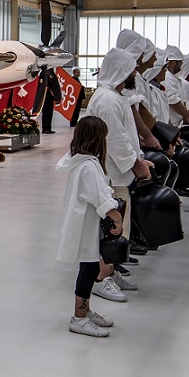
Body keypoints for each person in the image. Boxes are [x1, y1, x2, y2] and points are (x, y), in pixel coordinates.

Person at [85, 48, 153, 301]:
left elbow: (125, 135)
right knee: (113, 229)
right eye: (132, 70)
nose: (135, 74)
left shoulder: (114, 96)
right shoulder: (107, 100)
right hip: (111, 175)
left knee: (119, 228)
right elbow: (115, 140)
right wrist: (136, 164)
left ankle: (110, 271)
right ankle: (100, 279)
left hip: (119, 174)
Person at [57, 116, 124, 337]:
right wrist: (116, 217)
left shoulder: (81, 162)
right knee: (88, 269)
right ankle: (79, 317)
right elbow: (99, 196)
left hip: (86, 223)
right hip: (86, 225)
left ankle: (84, 311)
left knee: (90, 267)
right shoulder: (88, 166)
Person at [41, 67, 62, 134]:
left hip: (50, 97)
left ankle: (48, 127)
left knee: (49, 113)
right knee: (46, 112)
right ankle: (45, 128)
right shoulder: (47, 73)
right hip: (46, 96)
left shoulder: (51, 72)